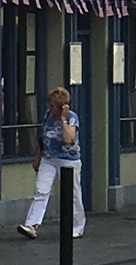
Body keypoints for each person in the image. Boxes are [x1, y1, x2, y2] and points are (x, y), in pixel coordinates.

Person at [17, 87, 85, 240]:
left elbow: (68, 139)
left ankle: (77, 226)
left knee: (72, 193)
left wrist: (63, 119)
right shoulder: (47, 116)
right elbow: (42, 138)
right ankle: (32, 224)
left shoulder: (72, 117)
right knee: (41, 190)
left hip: (68, 159)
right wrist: (38, 157)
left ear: (61, 106)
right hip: (49, 158)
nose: (50, 108)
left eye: (53, 106)